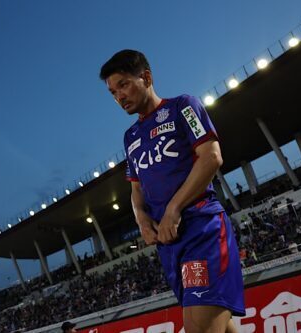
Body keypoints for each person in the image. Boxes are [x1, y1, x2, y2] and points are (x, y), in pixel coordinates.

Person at [100, 50, 245, 333]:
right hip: (169, 244)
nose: (119, 97)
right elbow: (136, 189)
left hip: (200, 229)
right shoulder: (130, 138)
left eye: (124, 85)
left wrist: (173, 208)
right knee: (220, 326)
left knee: (198, 328)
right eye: (113, 93)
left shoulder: (183, 106)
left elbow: (211, 157)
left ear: (147, 77)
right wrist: (142, 220)